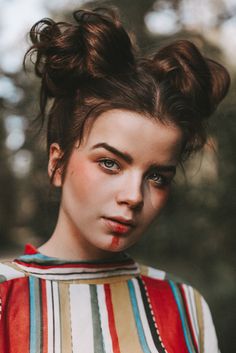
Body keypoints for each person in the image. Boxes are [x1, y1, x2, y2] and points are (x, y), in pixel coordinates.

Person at [0, 7, 230, 353]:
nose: (133, 196)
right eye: (110, 163)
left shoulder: (186, 307)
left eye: (156, 176)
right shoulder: (5, 299)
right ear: (57, 163)